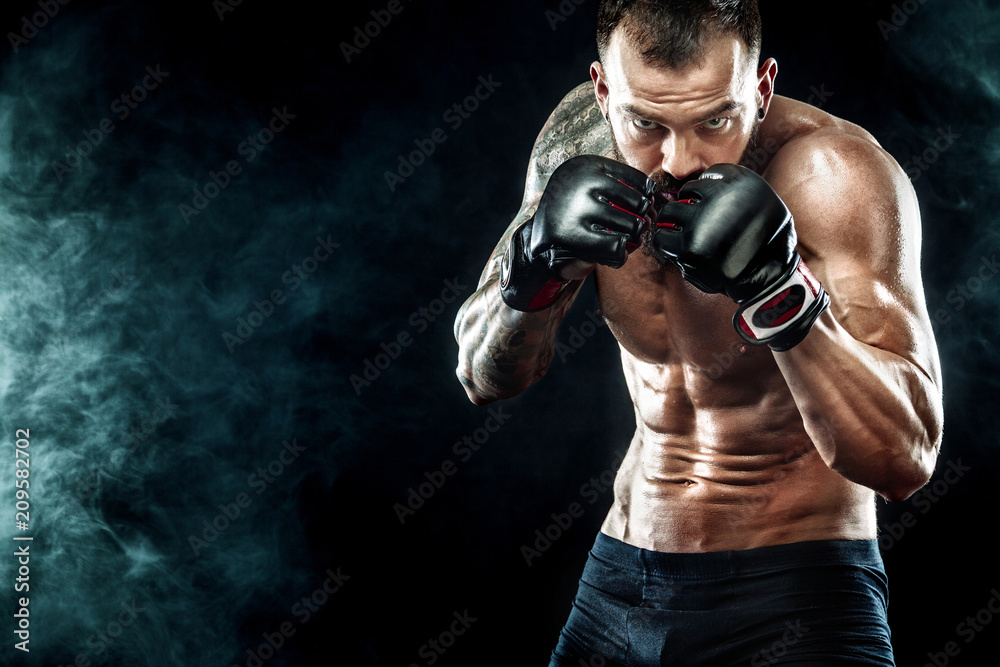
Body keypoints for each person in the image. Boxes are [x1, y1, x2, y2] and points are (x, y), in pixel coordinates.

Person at [453, 1, 943, 664]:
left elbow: (904, 458)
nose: (680, 161)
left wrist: (780, 291)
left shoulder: (836, 177)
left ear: (761, 87)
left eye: (716, 119)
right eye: (645, 122)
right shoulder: (579, 142)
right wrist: (536, 263)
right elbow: (482, 374)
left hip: (794, 598)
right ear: (603, 91)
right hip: (618, 589)